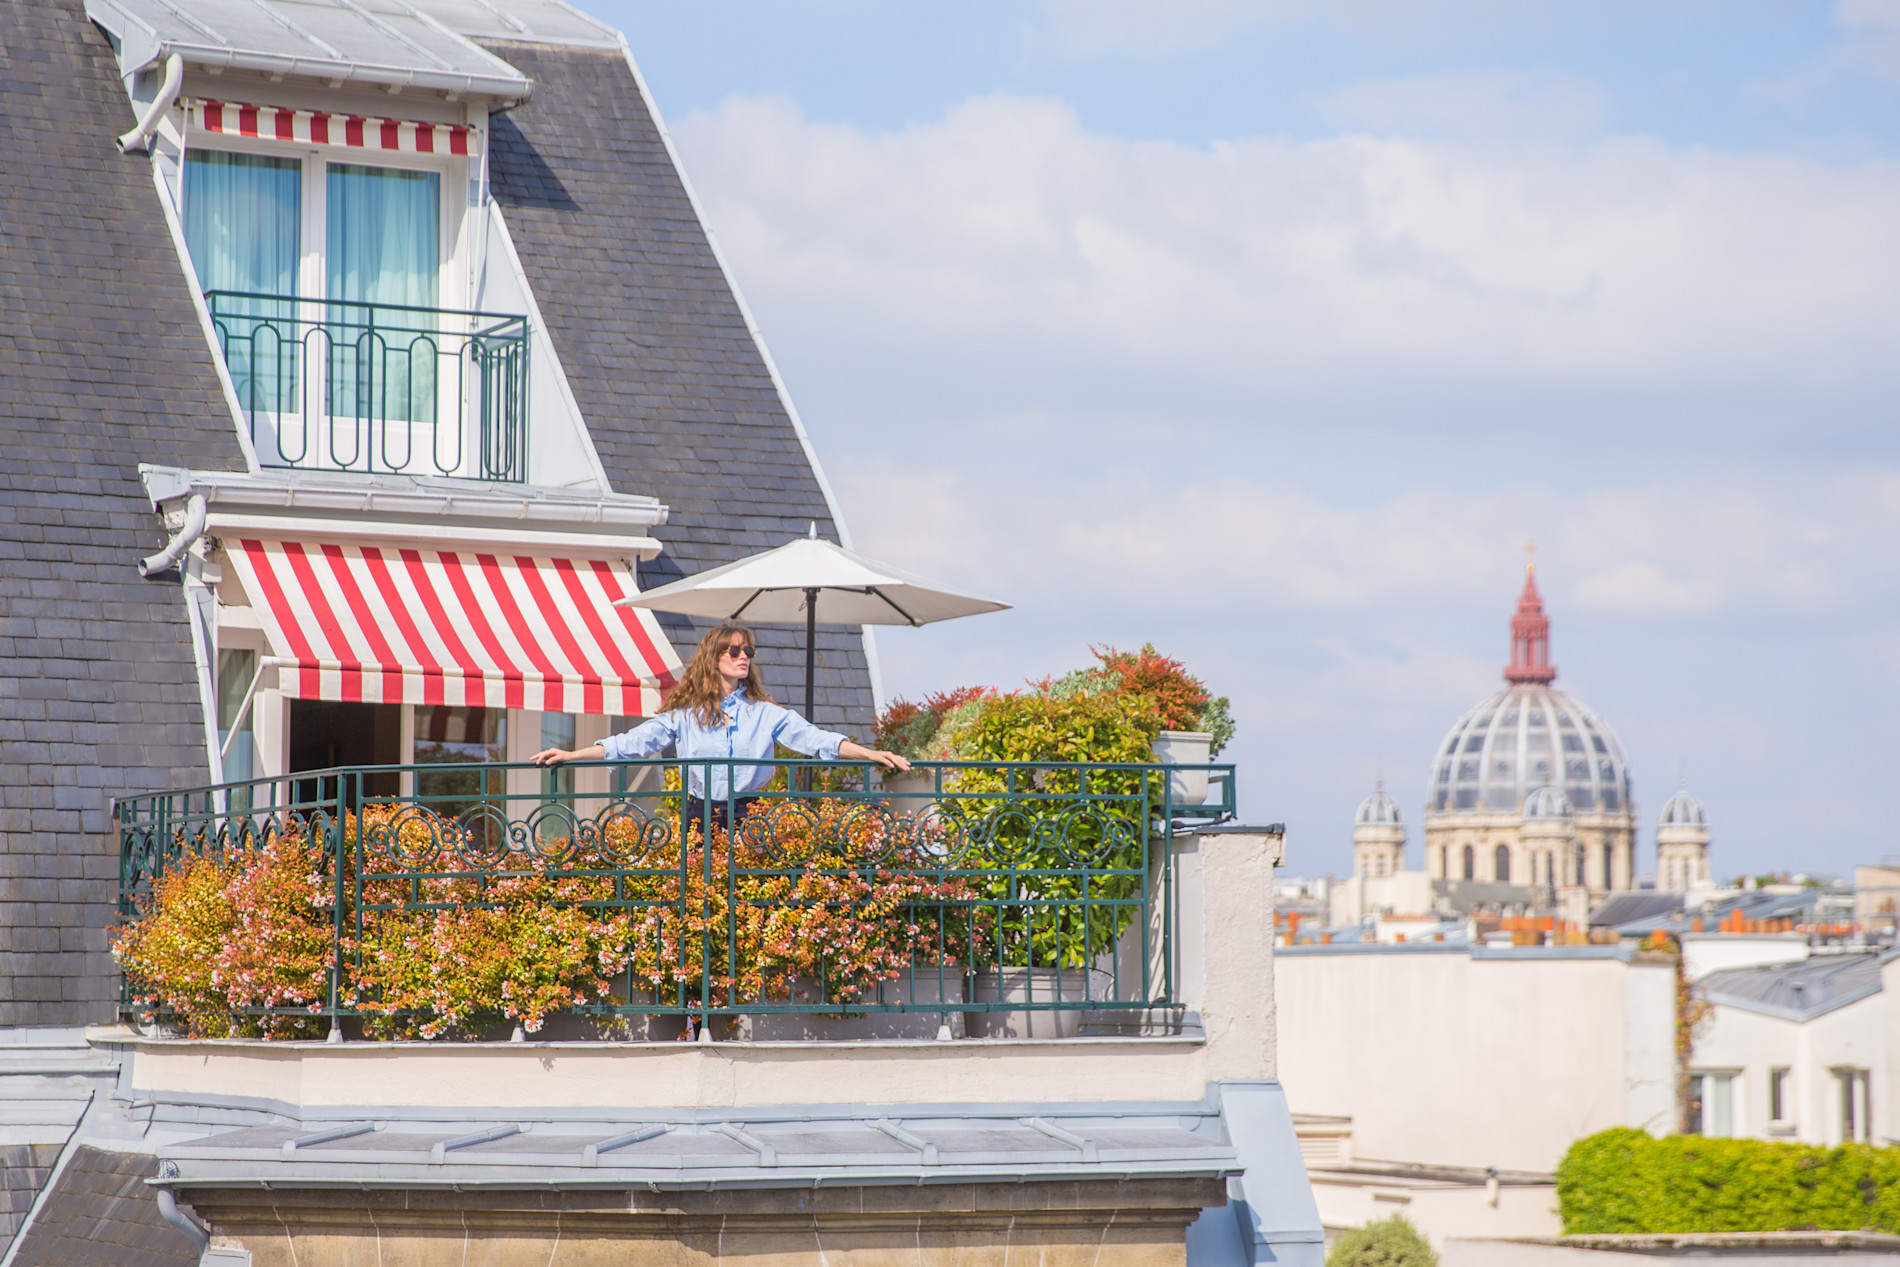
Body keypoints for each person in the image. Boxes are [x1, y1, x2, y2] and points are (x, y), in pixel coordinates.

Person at [530, 622, 910, 827]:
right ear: (714, 658)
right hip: (701, 814)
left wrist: (871, 753)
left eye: (748, 651)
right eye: (734, 650)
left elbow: (815, 739)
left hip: (752, 814)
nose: (743, 656)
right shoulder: (686, 713)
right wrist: (572, 753)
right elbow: (633, 742)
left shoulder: (764, 712)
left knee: (748, 901)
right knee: (700, 902)